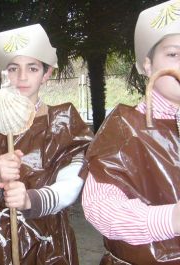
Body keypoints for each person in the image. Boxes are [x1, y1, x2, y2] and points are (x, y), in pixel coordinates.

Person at [0, 24, 93, 265]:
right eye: (13, 68)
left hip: (48, 242)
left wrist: (31, 200)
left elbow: (72, 183)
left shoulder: (63, 122)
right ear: (1, 74)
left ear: (46, 73)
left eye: (33, 68)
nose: (23, 77)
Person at [81, 1, 180, 264]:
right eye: (174, 54)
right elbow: (99, 205)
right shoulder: (125, 126)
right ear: (147, 65)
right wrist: (170, 219)